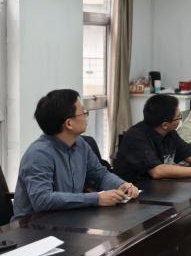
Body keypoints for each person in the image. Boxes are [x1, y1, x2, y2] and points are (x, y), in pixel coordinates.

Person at [12, 89, 139, 220]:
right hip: (33, 225)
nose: (86, 116)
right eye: (83, 113)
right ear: (69, 123)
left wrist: (120, 185)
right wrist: (96, 198)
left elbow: (100, 175)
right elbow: (42, 200)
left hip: (68, 219)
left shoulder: (81, 144)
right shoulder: (38, 155)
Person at [113, 94, 191, 180]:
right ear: (165, 125)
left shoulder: (170, 133)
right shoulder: (136, 137)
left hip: (158, 188)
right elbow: (157, 171)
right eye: (179, 117)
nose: (181, 119)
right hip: (132, 190)